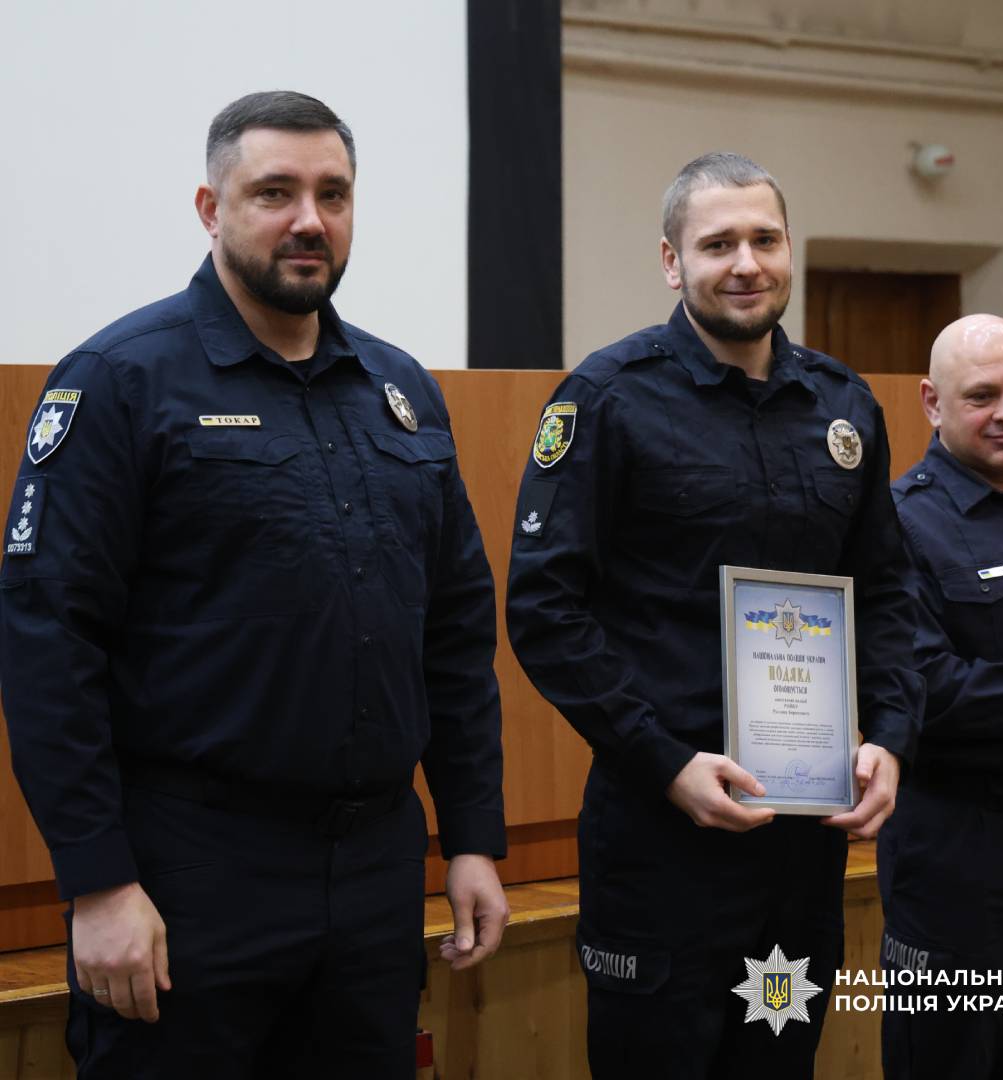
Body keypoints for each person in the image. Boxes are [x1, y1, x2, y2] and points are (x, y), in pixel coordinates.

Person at [0, 90, 509, 1079]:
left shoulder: (402, 394)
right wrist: (98, 883)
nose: (308, 219)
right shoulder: (118, 382)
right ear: (210, 207)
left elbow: (451, 635)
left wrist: (475, 838)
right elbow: (47, 643)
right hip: (191, 871)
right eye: (274, 191)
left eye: (333, 193)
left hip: (372, 871)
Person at [505, 152, 922, 1079]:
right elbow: (542, 608)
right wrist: (664, 763)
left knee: (779, 1065)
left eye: (765, 239)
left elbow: (888, 592)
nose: (746, 263)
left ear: (789, 250)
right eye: (717, 243)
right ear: (670, 261)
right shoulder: (607, 400)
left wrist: (890, 735)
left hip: (800, 848)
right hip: (663, 838)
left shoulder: (843, 405)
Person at [878, 314, 1003, 1080]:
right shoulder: (899, 525)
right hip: (960, 853)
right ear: (932, 402)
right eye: (982, 395)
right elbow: (921, 686)